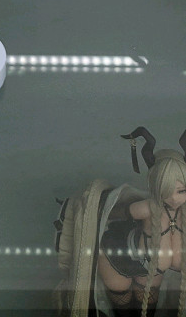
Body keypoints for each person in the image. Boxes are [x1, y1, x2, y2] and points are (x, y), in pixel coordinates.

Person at [55, 127, 186, 316]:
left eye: (181, 191)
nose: (173, 199)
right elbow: (108, 213)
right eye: (165, 191)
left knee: (147, 306)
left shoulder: (182, 212)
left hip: (150, 269)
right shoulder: (148, 208)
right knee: (122, 305)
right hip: (117, 260)